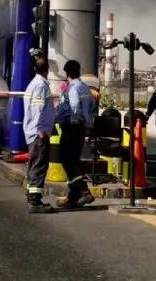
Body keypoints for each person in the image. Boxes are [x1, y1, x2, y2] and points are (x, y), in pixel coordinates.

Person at [56, 59, 96, 208]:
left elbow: (74, 106)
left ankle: (84, 191)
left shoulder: (72, 88)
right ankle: (73, 196)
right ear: (78, 72)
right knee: (73, 161)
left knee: (66, 160)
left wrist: (71, 119)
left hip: (71, 128)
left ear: (67, 73)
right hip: (81, 129)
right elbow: (92, 104)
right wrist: (86, 121)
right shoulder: (85, 87)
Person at [22, 53, 56, 212]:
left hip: (33, 132)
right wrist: (41, 130)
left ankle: (32, 197)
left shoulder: (33, 84)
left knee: (35, 165)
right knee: (39, 166)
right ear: (47, 70)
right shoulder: (41, 85)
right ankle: (35, 202)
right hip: (38, 133)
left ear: (35, 69)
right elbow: (37, 108)